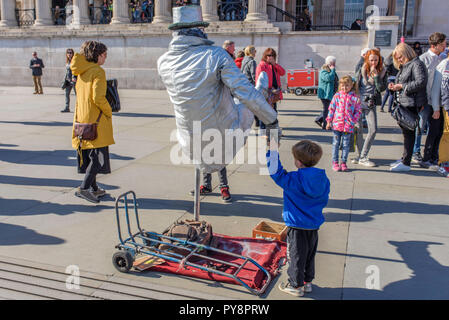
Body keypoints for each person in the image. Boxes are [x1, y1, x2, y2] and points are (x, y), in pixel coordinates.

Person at [158, 5, 278, 203]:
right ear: (200, 30)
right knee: (248, 98)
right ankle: (262, 88)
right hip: (222, 136)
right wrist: (271, 120)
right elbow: (244, 92)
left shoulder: (163, 62)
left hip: (189, 141)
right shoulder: (216, 55)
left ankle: (213, 184)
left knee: (210, 133)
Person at [267, 139, 330, 297]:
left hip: (296, 225)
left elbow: (276, 172)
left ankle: (295, 285)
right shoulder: (322, 179)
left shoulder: (294, 180)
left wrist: (272, 150)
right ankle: (307, 282)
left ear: (298, 162)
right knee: (309, 254)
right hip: (313, 224)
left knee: (295, 256)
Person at [71, 41, 114, 203]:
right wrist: (108, 111)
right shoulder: (98, 71)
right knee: (98, 158)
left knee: (90, 155)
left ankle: (94, 189)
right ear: (97, 56)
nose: (105, 58)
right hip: (97, 120)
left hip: (82, 119)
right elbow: (98, 97)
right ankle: (84, 188)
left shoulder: (81, 72)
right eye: (104, 55)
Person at [389, 43, 427, 172]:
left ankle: (406, 162)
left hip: (411, 103)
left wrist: (402, 86)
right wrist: (395, 86)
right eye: (397, 58)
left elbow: (421, 81)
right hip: (405, 102)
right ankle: (405, 158)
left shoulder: (416, 64)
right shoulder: (407, 65)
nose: (399, 60)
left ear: (406, 53)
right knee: (407, 134)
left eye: (400, 57)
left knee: (409, 133)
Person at [353, 49, 387, 167]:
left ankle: (363, 156)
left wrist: (377, 77)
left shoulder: (382, 71)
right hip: (358, 102)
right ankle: (360, 156)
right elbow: (355, 85)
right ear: (367, 59)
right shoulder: (361, 68)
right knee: (358, 129)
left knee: (373, 129)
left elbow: (381, 89)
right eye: (371, 60)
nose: (373, 63)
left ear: (379, 60)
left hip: (370, 103)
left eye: (376, 60)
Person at [418, 32, 447, 168]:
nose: (445, 46)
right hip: (427, 101)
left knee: (436, 131)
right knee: (421, 127)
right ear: (434, 45)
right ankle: (419, 153)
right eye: (443, 44)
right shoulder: (423, 59)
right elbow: (422, 82)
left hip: (438, 101)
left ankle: (433, 156)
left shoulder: (442, 58)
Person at [326, 76, 362, 172]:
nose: (344, 88)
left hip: (348, 126)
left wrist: (353, 121)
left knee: (346, 145)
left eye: (347, 85)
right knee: (335, 144)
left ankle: (343, 162)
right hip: (337, 125)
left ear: (351, 85)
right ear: (340, 86)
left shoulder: (355, 98)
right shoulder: (337, 96)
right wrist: (329, 121)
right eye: (342, 86)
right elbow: (331, 109)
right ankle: (335, 162)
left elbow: (358, 111)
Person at [255, 48, 286, 129]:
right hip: (266, 93)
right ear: (265, 56)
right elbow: (259, 80)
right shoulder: (262, 65)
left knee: (273, 112)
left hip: (274, 94)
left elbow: (283, 72)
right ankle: (263, 131)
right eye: (269, 55)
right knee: (264, 113)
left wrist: (275, 64)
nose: (271, 57)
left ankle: (273, 130)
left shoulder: (274, 66)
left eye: (272, 55)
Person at [431, 54, 449, 177]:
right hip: (448, 107)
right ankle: (444, 164)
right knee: (447, 135)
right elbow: (442, 88)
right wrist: (440, 108)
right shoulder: (445, 64)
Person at [317, 56, 338, 129]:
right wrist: (332, 70)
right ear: (330, 63)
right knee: (327, 109)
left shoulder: (330, 70)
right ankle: (325, 124)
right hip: (325, 94)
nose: (335, 64)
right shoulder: (324, 71)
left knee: (329, 109)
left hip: (330, 93)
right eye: (334, 63)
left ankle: (320, 120)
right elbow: (329, 78)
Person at [241, 45, 258, 126]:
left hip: (244, 86)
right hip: (251, 87)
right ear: (251, 52)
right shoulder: (252, 62)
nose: (256, 52)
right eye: (255, 51)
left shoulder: (244, 61)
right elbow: (254, 75)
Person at [61, 48, 76, 113]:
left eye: (71, 53)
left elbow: (76, 69)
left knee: (77, 95)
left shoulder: (75, 61)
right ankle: (67, 108)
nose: (69, 54)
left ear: (73, 54)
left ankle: (79, 108)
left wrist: (75, 77)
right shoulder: (67, 61)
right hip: (68, 80)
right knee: (67, 94)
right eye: (68, 53)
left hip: (74, 80)